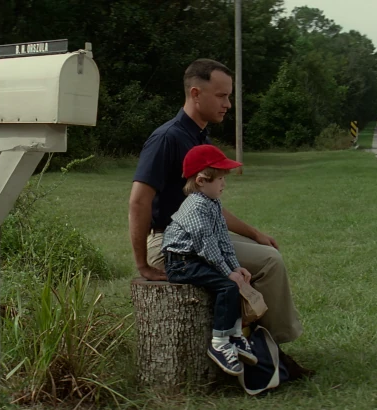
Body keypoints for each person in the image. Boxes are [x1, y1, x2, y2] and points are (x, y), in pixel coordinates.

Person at [128, 58, 306, 353]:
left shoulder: (198, 137)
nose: (228, 104)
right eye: (221, 96)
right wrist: (142, 264)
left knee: (267, 252)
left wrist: (254, 233)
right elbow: (138, 201)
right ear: (196, 93)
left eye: (229, 96)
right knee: (270, 263)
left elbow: (208, 206)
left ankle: (257, 345)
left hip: (196, 236)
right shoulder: (167, 138)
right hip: (170, 245)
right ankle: (272, 348)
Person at [161, 144, 257, 375]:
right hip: (181, 263)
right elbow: (207, 245)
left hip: (196, 259)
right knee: (227, 287)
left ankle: (234, 336)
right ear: (202, 180)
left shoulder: (212, 203)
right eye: (220, 179)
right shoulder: (195, 207)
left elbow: (223, 239)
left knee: (233, 283)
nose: (224, 184)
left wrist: (236, 266)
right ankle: (219, 344)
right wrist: (228, 273)